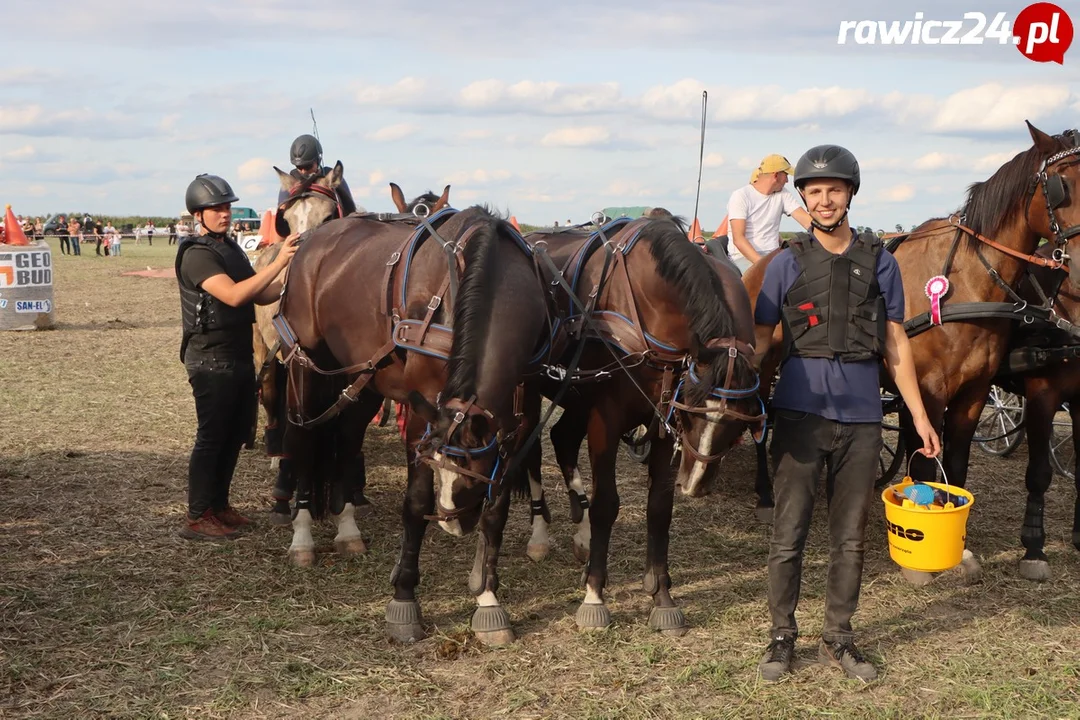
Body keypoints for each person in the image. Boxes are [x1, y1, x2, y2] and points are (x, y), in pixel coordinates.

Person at [751, 145, 940, 683]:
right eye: (814, 191)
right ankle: (782, 636)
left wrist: (919, 416)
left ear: (851, 193)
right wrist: (732, 396)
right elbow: (761, 343)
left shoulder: (881, 262)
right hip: (798, 416)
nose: (825, 199)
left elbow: (896, 343)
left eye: (834, 189)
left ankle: (839, 637)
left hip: (860, 420)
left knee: (850, 537)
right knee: (788, 533)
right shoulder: (785, 264)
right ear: (803, 199)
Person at [176, 174, 299, 541]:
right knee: (212, 438)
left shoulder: (229, 248)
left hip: (239, 354)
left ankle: (220, 506)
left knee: (233, 437)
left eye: (227, 206)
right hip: (210, 358)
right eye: (217, 208)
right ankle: (198, 516)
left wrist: (294, 271)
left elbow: (262, 293)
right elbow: (233, 295)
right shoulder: (197, 254)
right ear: (199, 214)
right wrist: (277, 263)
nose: (225, 213)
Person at [726, 154, 813, 274]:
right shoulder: (741, 196)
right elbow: (739, 239)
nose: (787, 181)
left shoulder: (782, 194)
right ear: (776, 175)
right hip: (743, 257)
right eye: (786, 175)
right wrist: (763, 265)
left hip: (774, 255)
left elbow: (807, 221)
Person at [277, 134, 355, 212]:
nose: (303, 171)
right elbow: (281, 211)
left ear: (318, 160)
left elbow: (350, 209)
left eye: (308, 166)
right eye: (299, 167)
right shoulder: (289, 183)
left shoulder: (330, 175)